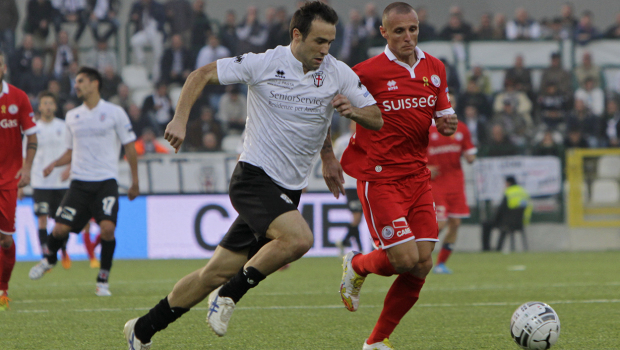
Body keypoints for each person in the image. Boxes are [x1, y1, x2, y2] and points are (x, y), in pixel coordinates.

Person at [123, 2, 382, 348]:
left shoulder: (337, 73)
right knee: (299, 239)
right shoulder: (264, 63)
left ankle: (141, 330)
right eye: (319, 41)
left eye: (330, 42)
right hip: (253, 178)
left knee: (211, 272)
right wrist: (180, 119)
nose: (325, 50)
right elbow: (199, 75)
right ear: (296, 35)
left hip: (289, 190)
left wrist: (333, 147)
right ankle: (229, 295)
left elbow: (375, 117)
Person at [338, 3, 458, 349]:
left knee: (422, 264)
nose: (408, 37)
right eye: (400, 31)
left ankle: (376, 341)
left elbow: (443, 118)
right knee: (403, 259)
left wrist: (447, 125)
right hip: (380, 177)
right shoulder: (365, 72)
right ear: (384, 33)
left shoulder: (435, 68)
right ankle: (358, 265)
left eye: (413, 29)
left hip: (417, 177)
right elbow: (331, 101)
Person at [28, 67, 140, 298]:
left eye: (80, 81)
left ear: (94, 83)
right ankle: (49, 260)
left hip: (106, 182)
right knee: (59, 228)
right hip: (79, 183)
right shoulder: (73, 116)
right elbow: (71, 150)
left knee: (108, 228)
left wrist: (134, 181)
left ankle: (102, 280)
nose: (76, 85)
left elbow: (130, 146)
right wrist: (54, 164)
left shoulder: (115, 112)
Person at [0, 51, 38, 311]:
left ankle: (3, 287)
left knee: (5, 239)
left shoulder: (18, 97)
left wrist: (26, 168)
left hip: (9, 178)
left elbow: (32, 138)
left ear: (3, 67)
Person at [24, 91, 73, 269]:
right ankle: (46, 254)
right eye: (44, 103)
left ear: (55, 106)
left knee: (62, 221)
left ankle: (64, 249)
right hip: (40, 183)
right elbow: (25, 156)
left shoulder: (64, 126)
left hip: (61, 182)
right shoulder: (33, 129)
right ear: (39, 107)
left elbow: (73, 150)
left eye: (50, 103)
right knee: (42, 219)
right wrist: (23, 180)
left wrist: (69, 169)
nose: (47, 106)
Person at [427, 120, 476, 274]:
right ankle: (418, 257)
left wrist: (471, 156)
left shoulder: (461, 128)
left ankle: (441, 264)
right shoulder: (425, 128)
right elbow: (410, 153)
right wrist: (425, 166)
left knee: (455, 222)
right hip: (435, 183)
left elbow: (469, 152)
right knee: (440, 224)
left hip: (456, 183)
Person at [334, 121, 363, 257]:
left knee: (359, 217)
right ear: (350, 125)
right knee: (357, 217)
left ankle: (355, 246)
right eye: (353, 124)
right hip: (350, 184)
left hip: (363, 182)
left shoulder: (366, 139)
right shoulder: (341, 142)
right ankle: (345, 241)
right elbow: (333, 159)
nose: (355, 126)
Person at [481, 176, 531, 252]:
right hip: (520, 222)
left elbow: (501, 209)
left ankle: (487, 249)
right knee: (504, 225)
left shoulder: (509, 192)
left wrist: (494, 219)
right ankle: (498, 248)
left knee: (486, 224)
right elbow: (529, 207)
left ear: (508, 183)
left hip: (507, 222)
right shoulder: (523, 191)